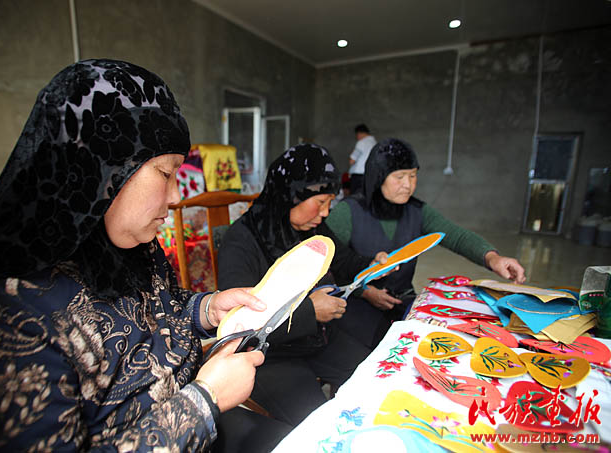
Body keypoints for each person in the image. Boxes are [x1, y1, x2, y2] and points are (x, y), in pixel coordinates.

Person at [0, 59, 291, 452]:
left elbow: (160, 309)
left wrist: (207, 309)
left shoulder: (128, 245)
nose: (176, 197)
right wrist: (204, 401)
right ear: (104, 168)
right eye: (164, 173)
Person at [217, 143, 386, 427]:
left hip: (315, 338)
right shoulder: (242, 240)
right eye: (320, 202)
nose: (325, 212)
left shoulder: (310, 227)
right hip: (267, 355)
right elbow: (241, 327)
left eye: (330, 203)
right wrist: (309, 311)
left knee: (376, 381)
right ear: (290, 194)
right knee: (320, 424)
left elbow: (342, 260)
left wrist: (370, 264)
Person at [326, 138, 526, 349]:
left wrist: (492, 258)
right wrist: (364, 292)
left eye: (413, 176)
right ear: (378, 177)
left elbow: (456, 236)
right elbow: (327, 265)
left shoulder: (416, 211)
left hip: (402, 301)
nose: (408, 185)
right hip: (353, 305)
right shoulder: (348, 212)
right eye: (399, 177)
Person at [348, 124, 377, 195]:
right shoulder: (375, 143)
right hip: (370, 175)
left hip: (358, 176)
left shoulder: (361, 143)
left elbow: (352, 160)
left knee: (355, 197)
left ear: (359, 133)